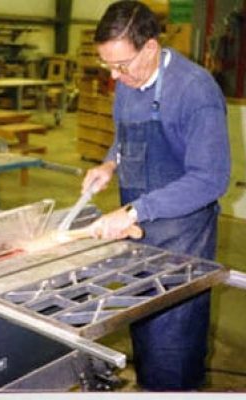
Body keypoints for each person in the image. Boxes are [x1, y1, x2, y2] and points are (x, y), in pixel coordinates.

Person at [82, 0, 231, 391]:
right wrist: (108, 164)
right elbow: (123, 137)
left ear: (150, 48)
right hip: (139, 232)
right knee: (143, 328)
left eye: (122, 65)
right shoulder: (129, 82)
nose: (115, 77)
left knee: (173, 344)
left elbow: (210, 179)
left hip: (182, 237)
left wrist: (135, 210)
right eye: (107, 66)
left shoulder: (195, 91)